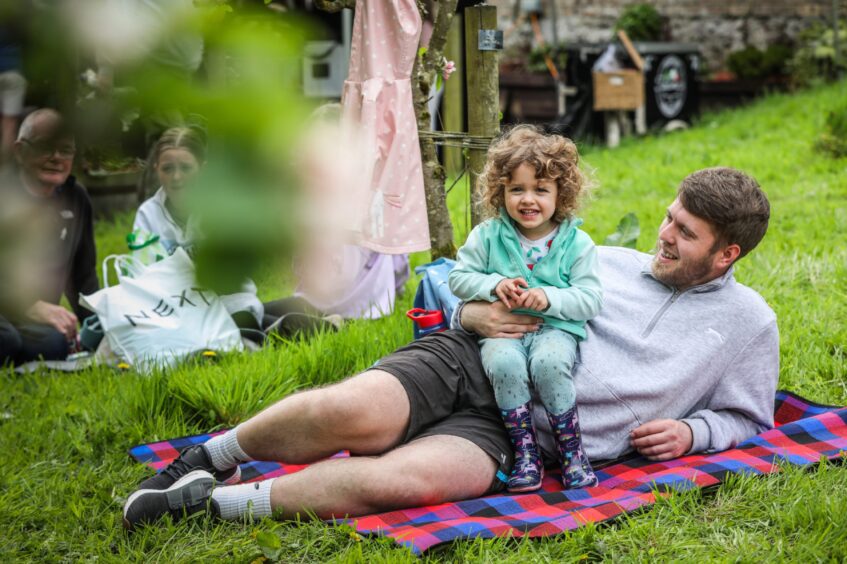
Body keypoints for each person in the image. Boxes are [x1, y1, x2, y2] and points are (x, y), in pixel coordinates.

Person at [121, 166, 777, 531]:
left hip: (524, 438)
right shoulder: (598, 260)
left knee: (400, 480)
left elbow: (749, 417)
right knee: (349, 412)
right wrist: (476, 311)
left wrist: (693, 432)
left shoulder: (748, 324)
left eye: (684, 233)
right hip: (469, 359)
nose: (663, 235)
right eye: (667, 217)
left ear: (726, 253)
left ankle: (209, 506)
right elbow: (470, 286)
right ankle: (209, 457)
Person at [448, 126, 602, 492]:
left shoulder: (576, 243)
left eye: (540, 190)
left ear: (560, 195)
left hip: (554, 329)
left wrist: (550, 297)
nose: (528, 200)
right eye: (517, 189)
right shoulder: (487, 235)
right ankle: (526, 453)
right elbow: (458, 278)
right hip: (505, 330)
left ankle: (571, 452)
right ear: (500, 191)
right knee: (504, 365)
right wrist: (491, 284)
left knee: (549, 365)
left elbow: (591, 298)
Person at [132, 126, 264, 331]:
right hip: (171, 310)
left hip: (228, 303)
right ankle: (276, 326)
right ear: (156, 169)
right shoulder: (147, 215)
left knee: (239, 321)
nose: (176, 177)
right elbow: (144, 280)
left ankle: (268, 327)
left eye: (186, 168)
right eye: (167, 169)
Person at [0, 108, 98, 365]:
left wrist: (99, 323)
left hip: (30, 321)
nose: (56, 158)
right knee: (7, 340)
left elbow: (83, 275)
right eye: (46, 148)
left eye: (65, 150)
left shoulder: (76, 199)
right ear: (20, 151)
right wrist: (30, 306)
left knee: (53, 345)